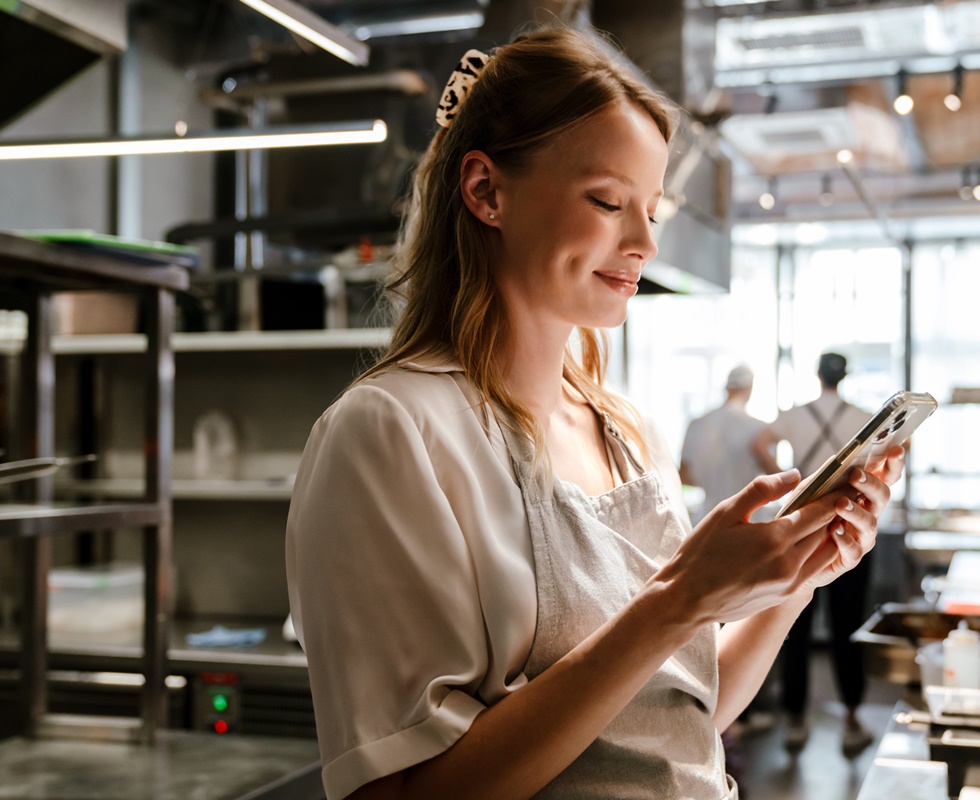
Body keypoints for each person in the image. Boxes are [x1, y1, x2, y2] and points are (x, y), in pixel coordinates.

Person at [286, 28, 904, 800]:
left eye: (653, 209)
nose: (644, 241)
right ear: (486, 193)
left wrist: (799, 578)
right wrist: (679, 600)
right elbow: (404, 793)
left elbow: (680, 721)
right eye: (608, 202)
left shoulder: (625, 429)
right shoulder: (388, 431)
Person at [752, 352, 876, 757]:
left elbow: (760, 443)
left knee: (794, 628)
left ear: (817, 375)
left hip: (804, 527)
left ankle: (795, 722)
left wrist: (790, 485)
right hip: (847, 525)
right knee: (848, 625)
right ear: (845, 377)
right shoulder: (861, 416)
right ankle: (854, 720)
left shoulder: (795, 415)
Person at [679, 365, 776, 524]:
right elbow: (772, 476)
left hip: (706, 519)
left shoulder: (696, 424)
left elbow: (684, 476)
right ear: (749, 388)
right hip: (749, 519)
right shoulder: (758, 429)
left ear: (727, 388)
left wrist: (713, 482)